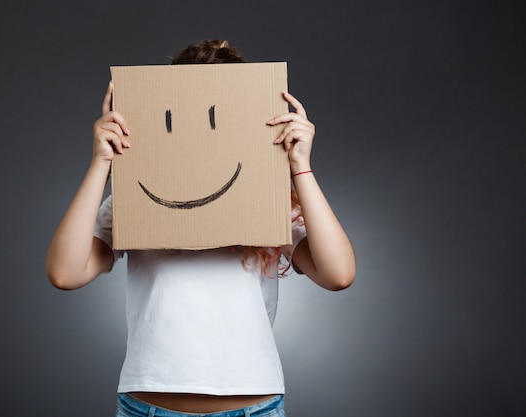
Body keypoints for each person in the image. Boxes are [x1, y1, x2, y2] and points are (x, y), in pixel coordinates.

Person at [46, 39, 356, 417]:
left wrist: (299, 166)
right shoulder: (137, 201)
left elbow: (339, 274)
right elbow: (65, 273)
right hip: (148, 408)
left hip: (252, 408)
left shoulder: (270, 205)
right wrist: (101, 163)